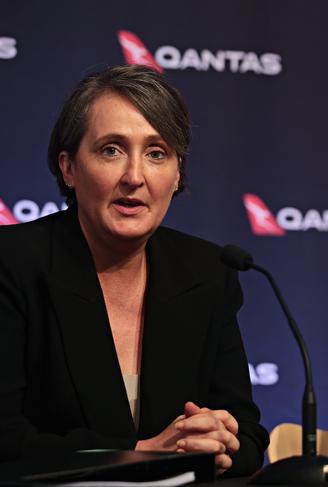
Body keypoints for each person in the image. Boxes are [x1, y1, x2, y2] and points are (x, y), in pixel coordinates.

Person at [0, 65, 268, 476]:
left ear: (177, 175)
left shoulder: (208, 273)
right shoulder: (14, 264)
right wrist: (138, 453)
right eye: (111, 149)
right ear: (69, 167)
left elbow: (247, 435)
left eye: (156, 153)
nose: (134, 177)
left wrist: (220, 441)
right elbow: (7, 439)